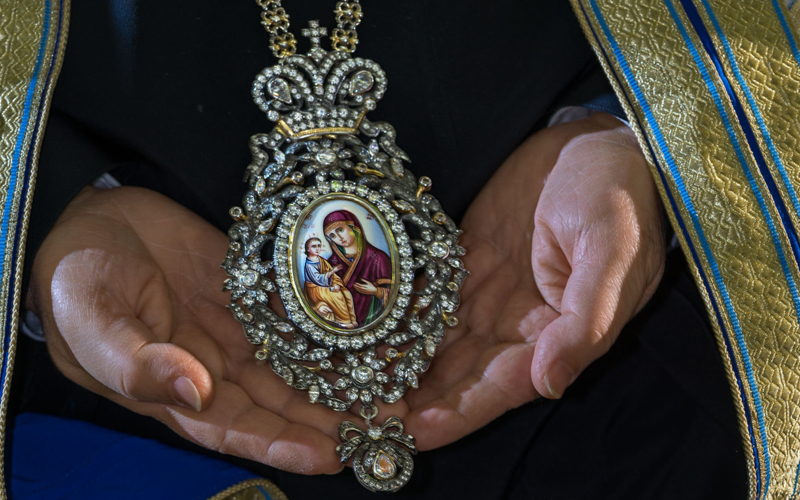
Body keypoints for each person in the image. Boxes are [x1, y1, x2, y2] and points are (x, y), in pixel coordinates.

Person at [13, 1, 748, 498]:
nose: (338, 241)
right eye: (333, 237)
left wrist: (645, 129)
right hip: (147, 408)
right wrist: (46, 211)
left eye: (340, 236)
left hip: (638, 362)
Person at [323, 210, 392, 327]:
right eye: (333, 236)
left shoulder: (378, 258)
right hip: (342, 321)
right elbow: (322, 294)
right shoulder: (330, 263)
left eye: (340, 230)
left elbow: (395, 293)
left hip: (373, 321)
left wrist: (377, 292)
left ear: (354, 227)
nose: (339, 237)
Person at [302, 236, 357, 329]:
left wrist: (336, 284)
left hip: (325, 286)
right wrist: (333, 271)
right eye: (314, 246)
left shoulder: (321, 260)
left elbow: (333, 277)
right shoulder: (309, 264)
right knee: (337, 296)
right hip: (315, 290)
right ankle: (344, 321)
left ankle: (352, 319)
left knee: (346, 293)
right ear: (308, 249)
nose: (317, 248)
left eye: (319, 246)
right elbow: (318, 279)